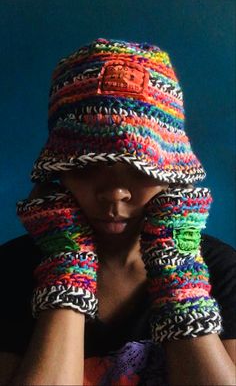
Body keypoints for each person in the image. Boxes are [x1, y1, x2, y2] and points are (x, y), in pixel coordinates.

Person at [0, 37, 235, 386]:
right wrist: (68, 267)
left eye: (141, 170)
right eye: (87, 167)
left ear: (172, 175)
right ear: (58, 171)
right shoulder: (12, 270)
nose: (114, 194)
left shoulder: (222, 271)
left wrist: (177, 271)